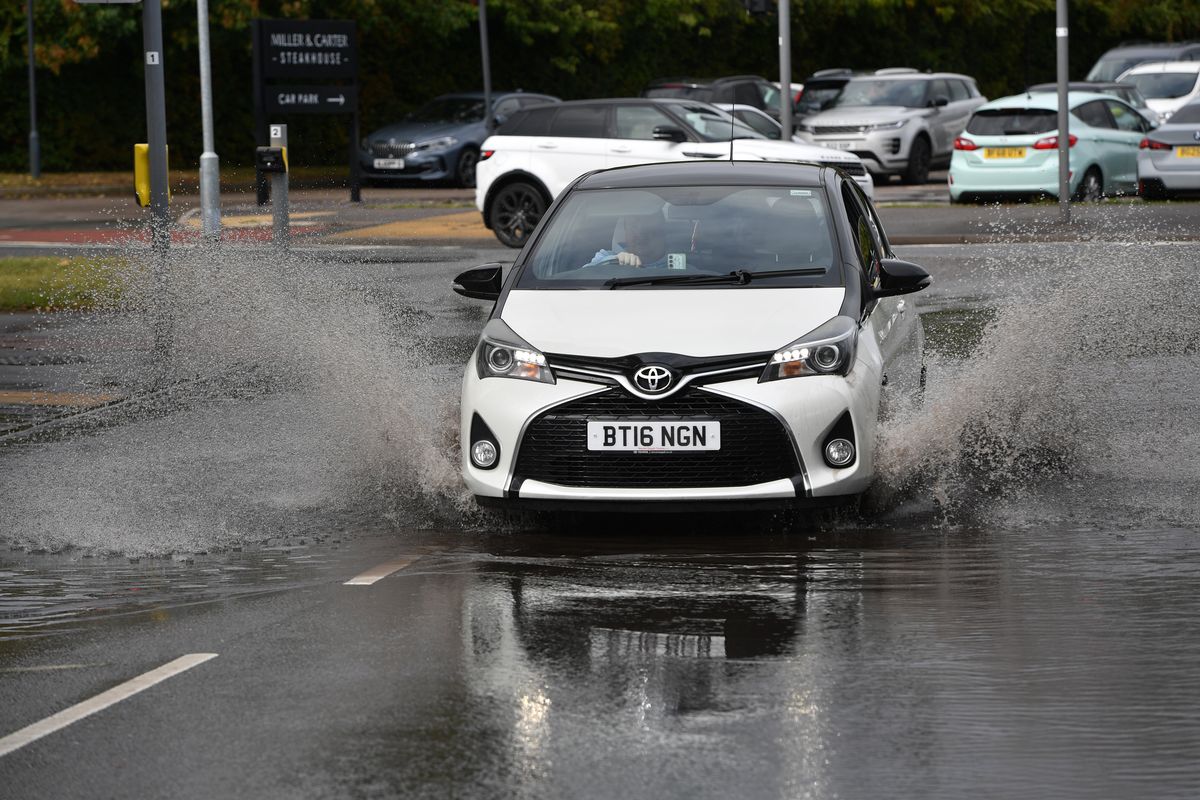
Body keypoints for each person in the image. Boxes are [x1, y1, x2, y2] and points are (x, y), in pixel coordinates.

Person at [587, 212, 668, 268]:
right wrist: (614, 261)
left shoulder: (678, 262)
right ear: (626, 231)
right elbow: (584, 273)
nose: (640, 234)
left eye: (647, 227)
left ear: (661, 231)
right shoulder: (606, 256)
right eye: (633, 227)